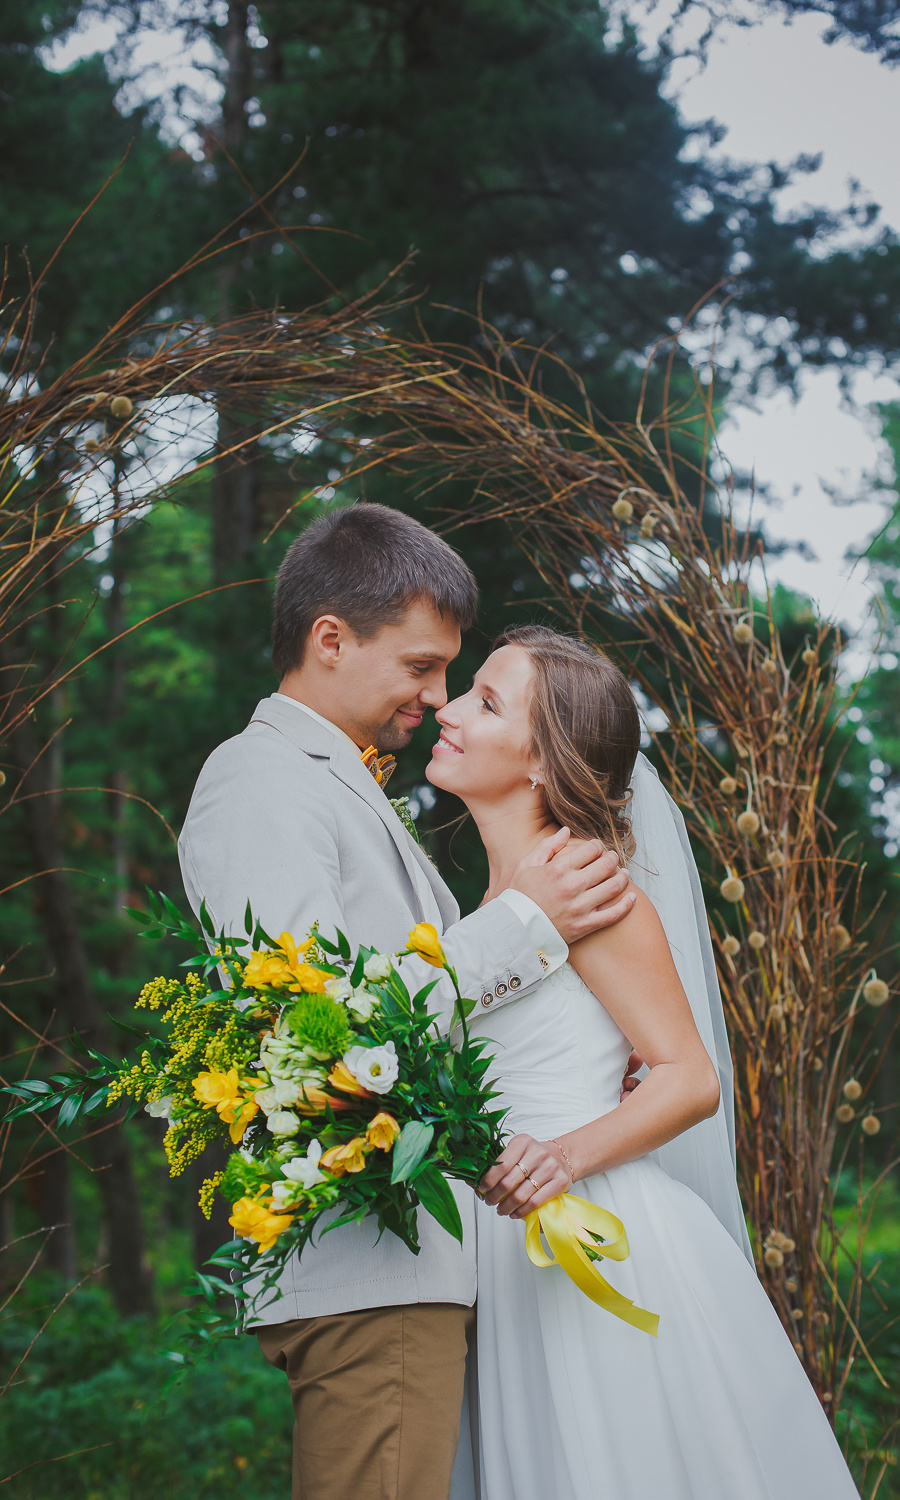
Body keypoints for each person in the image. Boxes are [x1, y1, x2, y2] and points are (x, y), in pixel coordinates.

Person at [177, 507, 636, 1500]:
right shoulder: (258, 780)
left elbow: (420, 1019)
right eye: (423, 667)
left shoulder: (346, 788)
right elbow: (308, 1034)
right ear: (329, 639)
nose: (436, 697)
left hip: (430, 1267)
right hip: (368, 1271)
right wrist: (521, 922)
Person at [426, 624, 862, 1500]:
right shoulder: (472, 907)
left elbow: (690, 1077)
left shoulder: (593, 892)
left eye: (485, 701)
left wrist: (562, 1159)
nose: (448, 707)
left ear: (543, 763)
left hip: (597, 1235)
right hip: (501, 1248)